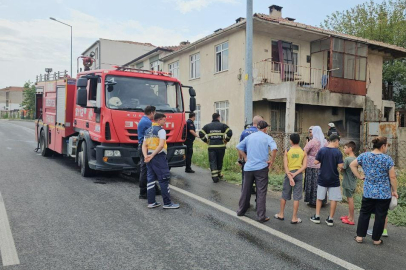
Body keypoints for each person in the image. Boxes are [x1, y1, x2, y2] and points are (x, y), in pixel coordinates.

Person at [351, 137, 398, 245]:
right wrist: (394, 190)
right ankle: (376, 239)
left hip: (368, 191)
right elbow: (392, 177)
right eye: (386, 146)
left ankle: (359, 237)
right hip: (383, 193)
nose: (386, 148)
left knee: (364, 213)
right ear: (383, 146)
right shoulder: (387, 159)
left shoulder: (364, 156)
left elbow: (352, 165)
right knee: (380, 216)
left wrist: (359, 176)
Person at [236, 121, 278, 223]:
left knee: (246, 190)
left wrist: (245, 157)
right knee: (261, 192)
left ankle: (241, 211)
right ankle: (261, 216)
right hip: (261, 168)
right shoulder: (267, 137)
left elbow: (238, 146)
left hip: (249, 168)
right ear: (265, 129)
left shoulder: (250, 137)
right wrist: (271, 161)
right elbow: (274, 149)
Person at [142, 113, 179, 209]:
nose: (165, 122)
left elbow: (144, 145)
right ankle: (167, 203)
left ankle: (151, 202)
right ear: (159, 120)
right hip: (158, 157)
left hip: (149, 156)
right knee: (163, 179)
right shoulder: (161, 130)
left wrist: (146, 156)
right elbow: (161, 145)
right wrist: (153, 155)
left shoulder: (147, 130)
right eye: (164, 120)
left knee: (150, 179)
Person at [310, 134, 343, 226]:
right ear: (336, 141)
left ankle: (317, 216)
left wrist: (322, 160)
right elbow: (341, 166)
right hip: (334, 178)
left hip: (322, 177)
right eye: (338, 142)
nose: (338, 144)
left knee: (319, 197)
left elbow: (316, 162)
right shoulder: (338, 152)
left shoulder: (322, 150)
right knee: (333, 199)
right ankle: (330, 219)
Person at [275, 133, 307, 224]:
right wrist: (296, 174)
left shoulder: (287, 150)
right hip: (299, 175)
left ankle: (281, 214)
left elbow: (285, 166)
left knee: (284, 195)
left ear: (291, 141)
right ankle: (294, 218)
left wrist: (290, 176)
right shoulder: (303, 151)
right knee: (296, 197)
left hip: (289, 174)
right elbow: (304, 166)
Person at [199, 113, 233, 183]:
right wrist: (226, 140)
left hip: (211, 147)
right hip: (221, 147)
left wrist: (206, 141)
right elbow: (230, 132)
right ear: (218, 117)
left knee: (213, 161)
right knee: (219, 161)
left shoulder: (207, 126)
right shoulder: (222, 125)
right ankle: (219, 174)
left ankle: (215, 177)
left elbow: (201, 133)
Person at [137, 106, 159, 199]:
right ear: (151, 112)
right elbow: (155, 133)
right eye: (155, 113)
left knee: (150, 169)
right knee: (145, 170)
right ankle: (143, 192)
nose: (155, 115)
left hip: (143, 146)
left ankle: (154, 189)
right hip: (145, 147)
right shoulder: (147, 122)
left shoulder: (143, 120)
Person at [238, 115, 264, 193]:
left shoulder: (244, 132)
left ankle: (245, 195)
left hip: (247, 157)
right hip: (258, 158)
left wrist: (240, 159)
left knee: (246, 176)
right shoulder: (261, 133)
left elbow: (240, 147)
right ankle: (256, 193)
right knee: (258, 177)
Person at [304, 126, 328, 207]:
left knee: (312, 183)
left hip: (312, 164)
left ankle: (312, 201)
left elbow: (305, 150)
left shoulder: (312, 141)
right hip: (322, 165)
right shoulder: (324, 142)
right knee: (321, 183)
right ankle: (322, 200)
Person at [340, 141, 357, 225]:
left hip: (348, 182)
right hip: (353, 182)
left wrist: (340, 167)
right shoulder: (355, 158)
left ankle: (351, 219)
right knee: (349, 199)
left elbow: (343, 169)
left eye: (345, 148)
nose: (344, 149)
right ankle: (349, 216)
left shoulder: (347, 159)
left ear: (350, 149)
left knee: (350, 200)